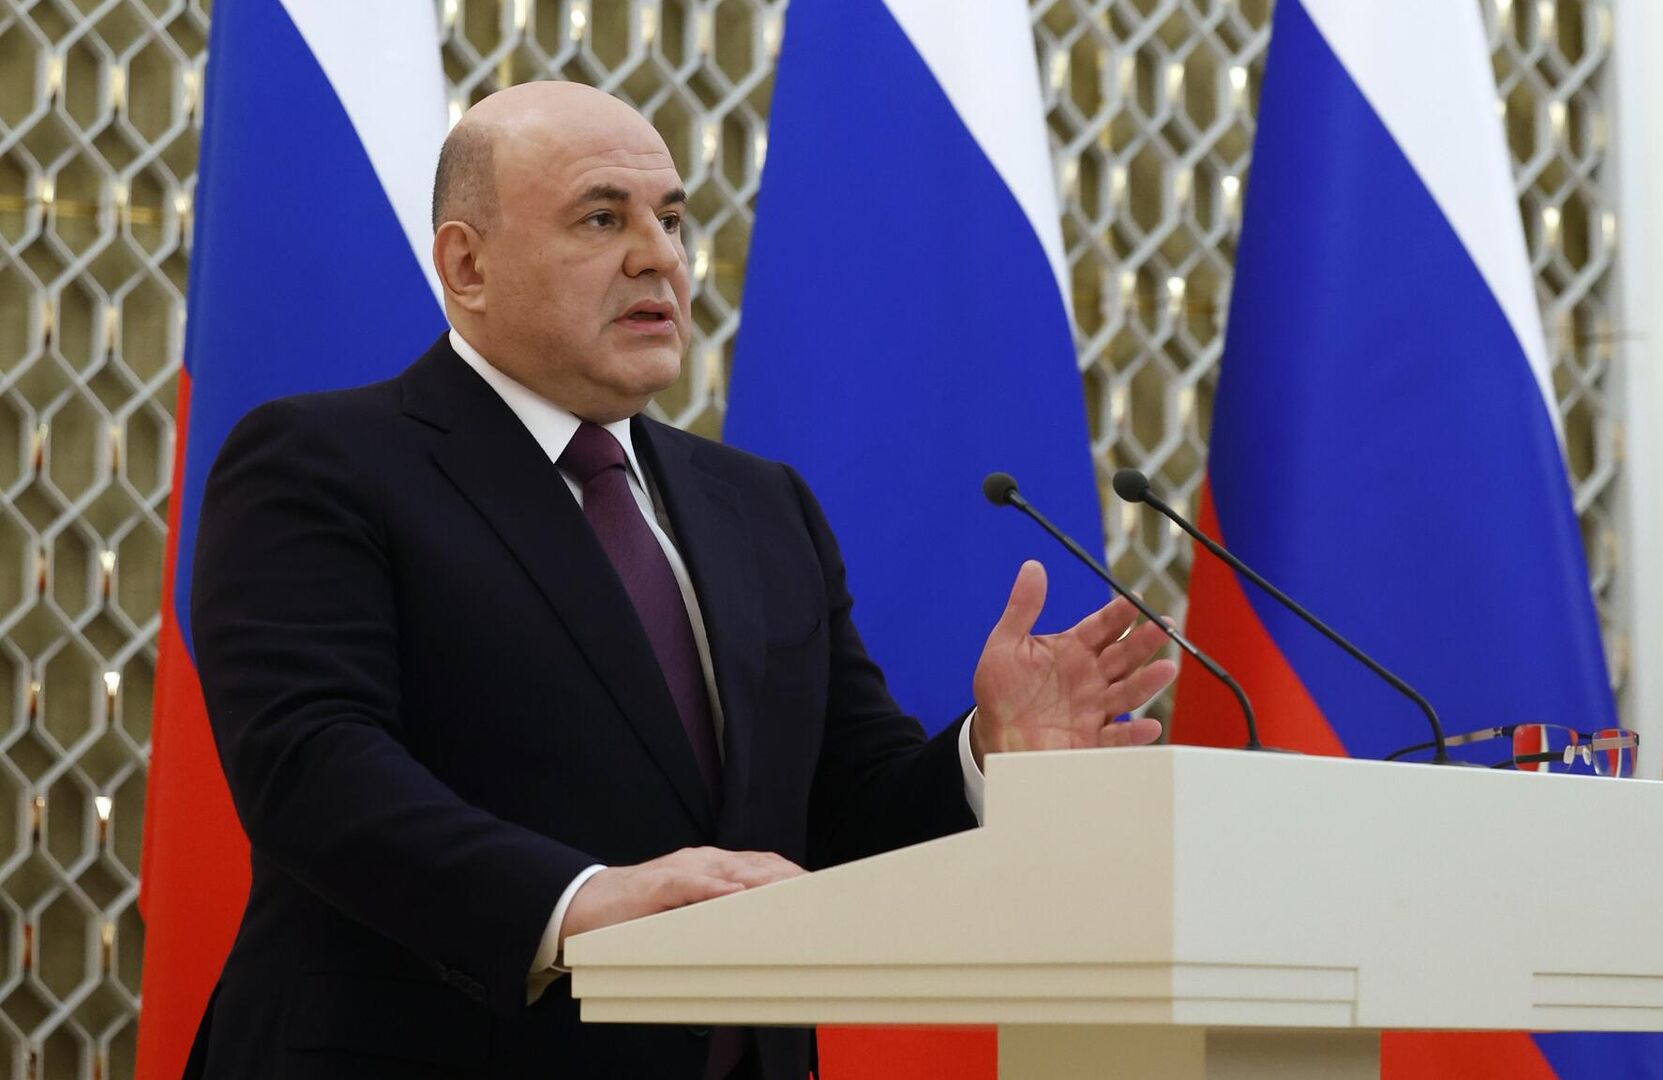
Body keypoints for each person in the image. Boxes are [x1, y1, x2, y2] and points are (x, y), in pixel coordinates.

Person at [182, 81, 1175, 1079]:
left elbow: (844, 809)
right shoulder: (325, 463)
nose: (658, 256)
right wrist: (579, 901)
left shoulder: (763, 506)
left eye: (671, 219)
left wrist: (983, 754)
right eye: (601, 218)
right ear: (466, 264)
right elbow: (313, 766)